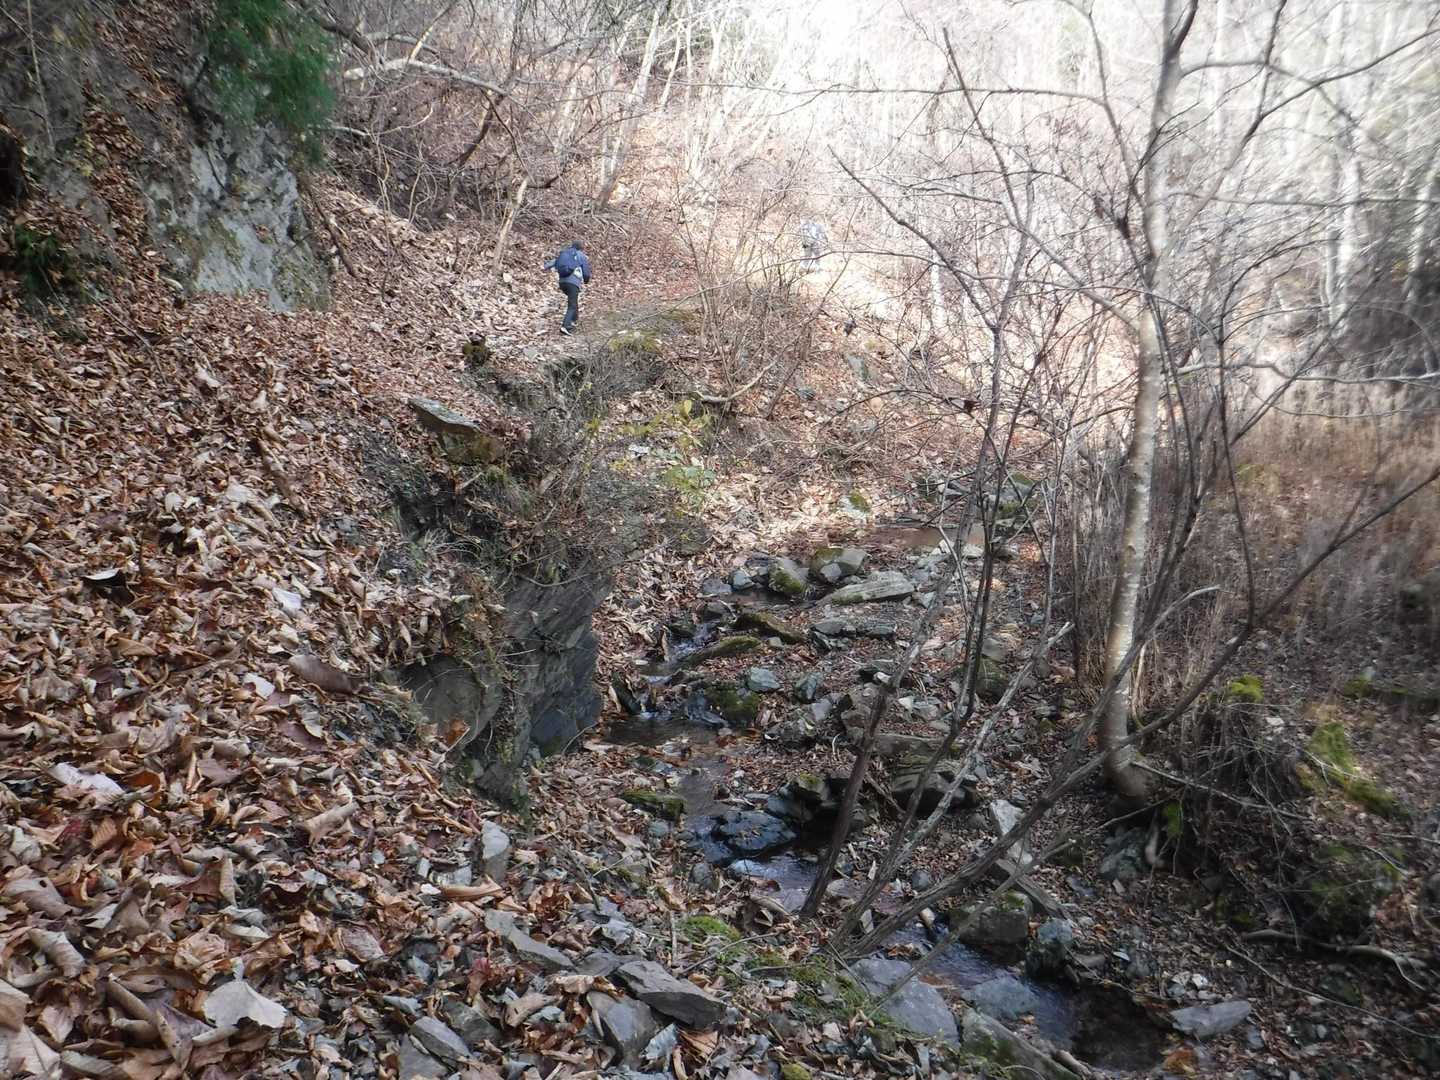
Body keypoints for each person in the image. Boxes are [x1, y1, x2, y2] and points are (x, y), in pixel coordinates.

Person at [544, 241, 592, 335]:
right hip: (573, 283)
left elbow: (553, 263)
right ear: (580, 248)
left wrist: (545, 267)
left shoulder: (564, 253)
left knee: (573, 301)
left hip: (562, 283)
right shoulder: (580, 255)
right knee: (572, 305)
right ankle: (565, 326)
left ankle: (574, 320)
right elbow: (586, 271)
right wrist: (586, 280)